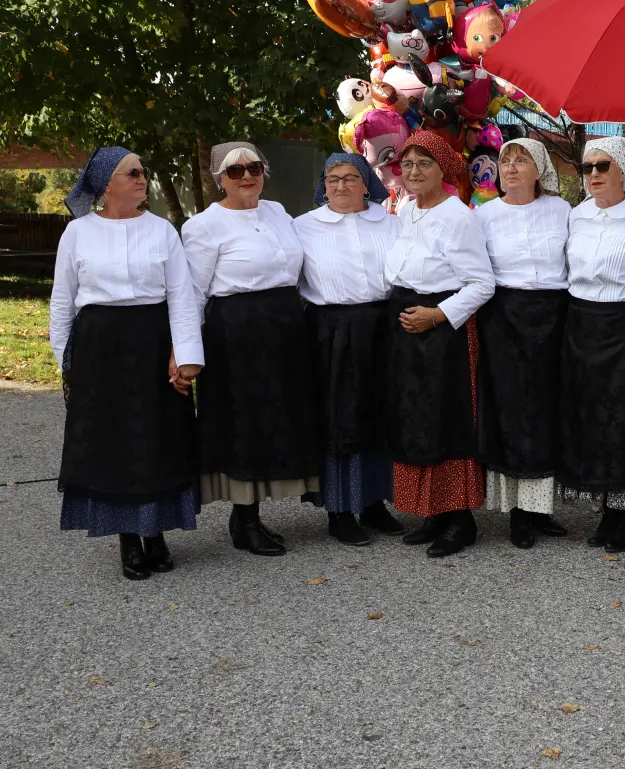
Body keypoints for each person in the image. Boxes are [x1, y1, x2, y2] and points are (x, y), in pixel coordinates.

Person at [50, 147, 204, 580]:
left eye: (143, 172)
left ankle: (155, 531)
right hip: (99, 348)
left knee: (158, 437)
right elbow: (63, 300)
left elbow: (182, 296)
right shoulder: (77, 233)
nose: (141, 178)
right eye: (131, 172)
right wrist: (67, 360)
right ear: (105, 184)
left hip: (153, 342)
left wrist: (186, 355)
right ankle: (128, 540)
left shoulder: (162, 231)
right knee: (114, 442)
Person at [182, 143, 320, 556]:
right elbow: (191, 292)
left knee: (277, 420)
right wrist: (186, 350)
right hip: (235, 336)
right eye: (235, 170)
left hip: (285, 328)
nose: (246, 176)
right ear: (218, 178)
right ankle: (244, 520)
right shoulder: (204, 226)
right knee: (243, 424)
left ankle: (253, 516)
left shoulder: (278, 213)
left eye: (254, 167)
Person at [383, 130, 496, 558]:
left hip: (442, 327)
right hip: (406, 324)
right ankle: (432, 512)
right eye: (407, 164)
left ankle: (460, 520)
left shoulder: (458, 215)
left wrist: (437, 315)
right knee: (414, 417)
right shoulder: (406, 210)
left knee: (446, 419)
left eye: (423, 163)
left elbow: (482, 283)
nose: (413, 172)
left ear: (443, 168)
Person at [294, 154, 405, 546]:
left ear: (366, 183)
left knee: (381, 413)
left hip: (384, 326)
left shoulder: (391, 223)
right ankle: (339, 509)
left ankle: (374, 502)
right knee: (339, 418)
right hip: (331, 330)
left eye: (350, 178)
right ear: (323, 185)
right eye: (332, 179)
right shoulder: (303, 227)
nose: (340, 186)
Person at [557, 136, 625, 553]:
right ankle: (606, 509)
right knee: (590, 417)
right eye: (588, 168)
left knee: (624, 417)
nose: (594, 175)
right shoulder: (576, 216)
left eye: (603, 166)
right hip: (582, 323)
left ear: (624, 170)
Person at [474, 138, 571, 548]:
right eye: (505, 160)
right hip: (503, 317)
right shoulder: (483, 215)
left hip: (554, 316)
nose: (511, 167)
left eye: (521, 159)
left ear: (540, 169)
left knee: (549, 407)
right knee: (512, 408)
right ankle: (517, 512)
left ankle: (540, 508)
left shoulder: (563, 210)